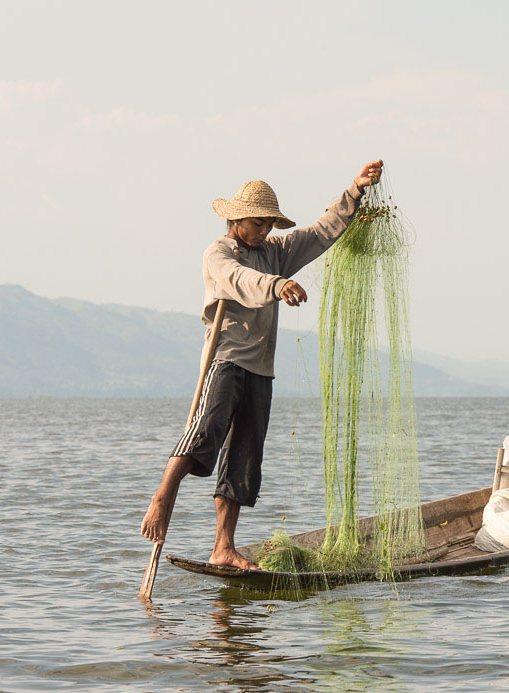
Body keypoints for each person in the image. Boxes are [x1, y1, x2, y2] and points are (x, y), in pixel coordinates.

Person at [140, 160, 384, 569]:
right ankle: (163, 497)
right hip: (226, 360)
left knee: (244, 457)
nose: (265, 231)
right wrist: (277, 284)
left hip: (260, 369)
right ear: (236, 219)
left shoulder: (274, 252)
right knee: (204, 435)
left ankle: (223, 547)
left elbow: (320, 232)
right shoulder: (218, 254)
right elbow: (238, 280)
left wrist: (355, 190)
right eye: (258, 223)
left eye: (270, 224)